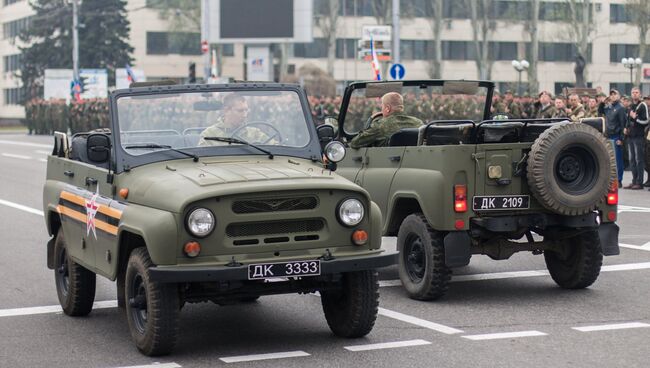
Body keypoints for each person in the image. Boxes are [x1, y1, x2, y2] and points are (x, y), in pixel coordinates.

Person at [349, 92, 423, 149]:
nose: (382, 109)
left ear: (387, 108)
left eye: (382, 107)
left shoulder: (380, 125)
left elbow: (355, 143)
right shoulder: (418, 123)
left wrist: (372, 119)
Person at [199, 94, 270, 146]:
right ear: (226, 110)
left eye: (246, 110)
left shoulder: (254, 133)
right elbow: (202, 160)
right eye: (240, 111)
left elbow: (275, 146)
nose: (245, 115)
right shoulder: (209, 135)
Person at [624, 87, 648, 189]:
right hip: (631, 137)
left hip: (639, 137)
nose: (634, 94)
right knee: (632, 160)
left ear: (640, 94)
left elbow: (646, 121)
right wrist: (626, 128)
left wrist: (636, 118)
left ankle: (639, 182)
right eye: (633, 92)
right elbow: (628, 120)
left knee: (639, 160)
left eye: (636, 92)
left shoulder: (642, 105)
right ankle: (634, 181)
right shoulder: (631, 106)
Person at [604, 89, 627, 187]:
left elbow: (623, 123)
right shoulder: (609, 107)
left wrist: (621, 139)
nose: (613, 96)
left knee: (618, 160)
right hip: (608, 135)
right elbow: (601, 111)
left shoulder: (620, 108)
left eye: (615, 94)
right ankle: (612, 180)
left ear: (618, 96)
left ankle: (619, 180)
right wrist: (602, 102)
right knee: (609, 160)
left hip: (616, 136)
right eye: (611, 94)